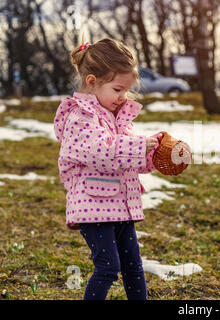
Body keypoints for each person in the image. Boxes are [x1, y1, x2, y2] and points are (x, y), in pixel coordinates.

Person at [53, 38, 162, 300]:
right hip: (94, 207)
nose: (123, 96)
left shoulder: (116, 117)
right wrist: (138, 146)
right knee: (108, 268)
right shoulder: (80, 118)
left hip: (121, 204)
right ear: (92, 82)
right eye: (118, 89)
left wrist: (154, 156)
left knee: (134, 267)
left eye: (127, 90)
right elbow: (102, 152)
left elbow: (124, 159)